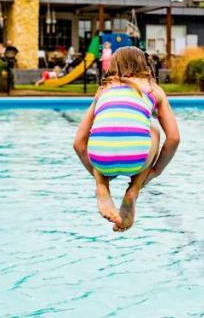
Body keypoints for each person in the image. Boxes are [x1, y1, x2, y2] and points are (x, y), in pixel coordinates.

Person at [73, 46, 181, 232]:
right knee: (153, 128)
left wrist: (97, 176)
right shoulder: (153, 89)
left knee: (99, 133)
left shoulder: (103, 90)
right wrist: (156, 171)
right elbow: (173, 138)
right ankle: (134, 190)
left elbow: (78, 143)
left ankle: (101, 187)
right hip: (137, 160)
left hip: (101, 160)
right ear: (145, 64)